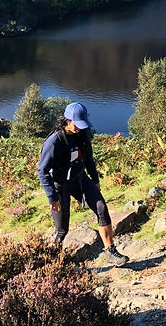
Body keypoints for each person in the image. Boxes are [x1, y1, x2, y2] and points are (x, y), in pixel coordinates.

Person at [37, 102, 128, 266]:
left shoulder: (83, 134)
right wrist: (52, 198)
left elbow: (88, 158)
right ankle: (49, 264)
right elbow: (42, 171)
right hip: (60, 185)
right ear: (67, 121)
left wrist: (95, 180)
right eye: (77, 124)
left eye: (82, 124)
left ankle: (110, 251)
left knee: (101, 208)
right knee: (62, 230)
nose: (80, 128)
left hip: (79, 179)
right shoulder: (54, 142)